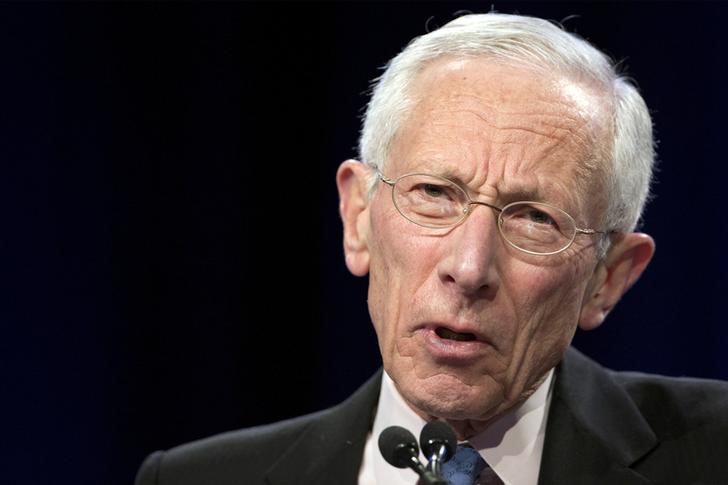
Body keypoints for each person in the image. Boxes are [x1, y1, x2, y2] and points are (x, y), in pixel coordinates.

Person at [135, 12, 728, 485]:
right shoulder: (194, 478)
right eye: (434, 194)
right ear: (359, 218)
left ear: (608, 277)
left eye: (534, 219)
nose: (469, 269)